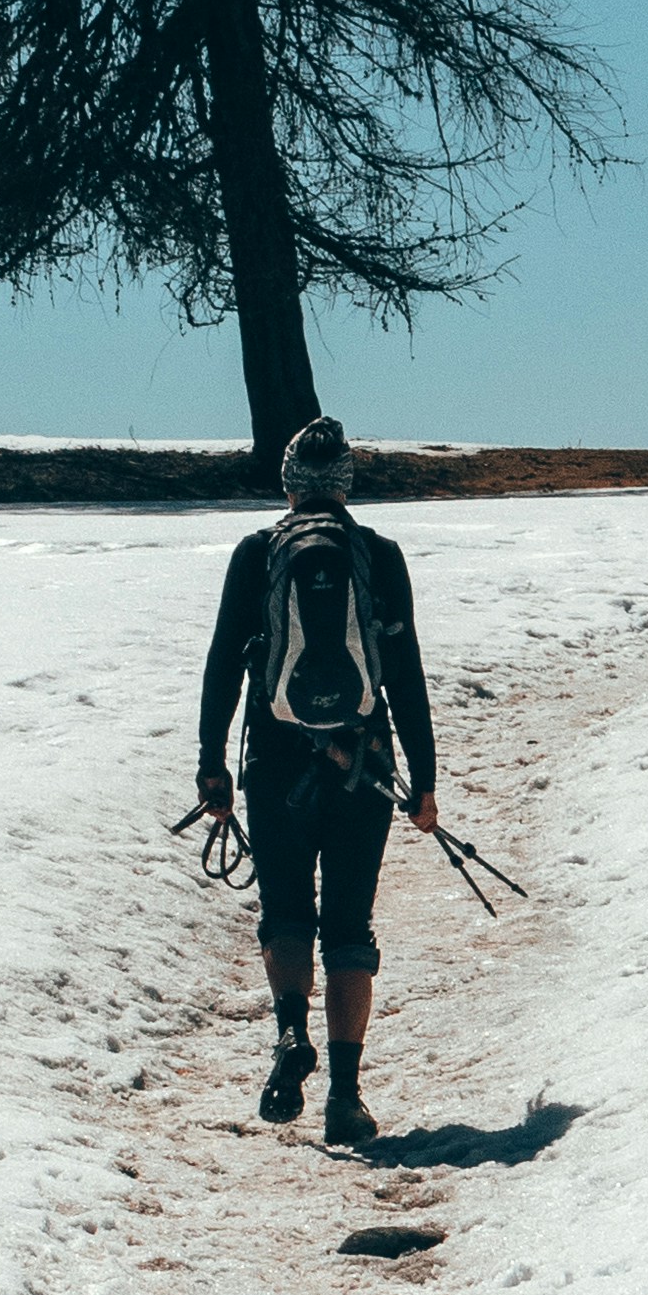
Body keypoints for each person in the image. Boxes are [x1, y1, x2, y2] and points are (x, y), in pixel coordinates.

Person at [195, 416, 440, 1147]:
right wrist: (423, 778)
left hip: (274, 763)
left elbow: (221, 669)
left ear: (290, 488)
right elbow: (405, 673)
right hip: (361, 765)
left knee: (285, 914)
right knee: (348, 926)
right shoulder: (377, 555)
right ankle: (345, 1094)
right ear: (344, 488)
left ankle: (288, 1035)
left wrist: (213, 766)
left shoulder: (257, 553)